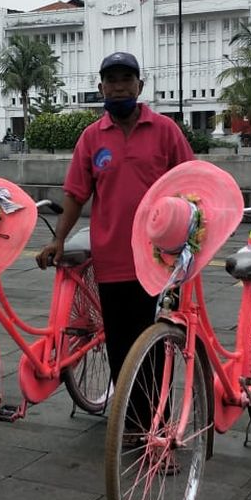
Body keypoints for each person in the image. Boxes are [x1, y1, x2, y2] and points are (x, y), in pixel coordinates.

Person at [36, 51, 194, 401]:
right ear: (100, 87)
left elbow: (192, 183)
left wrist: (194, 237)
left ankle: (157, 427)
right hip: (112, 263)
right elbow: (76, 194)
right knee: (121, 348)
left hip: (159, 261)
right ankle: (130, 426)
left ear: (140, 84)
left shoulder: (166, 131)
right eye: (111, 80)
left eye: (126, 79)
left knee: (155, 346)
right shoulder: (92, 138)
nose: (119, 87)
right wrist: (58, 240)